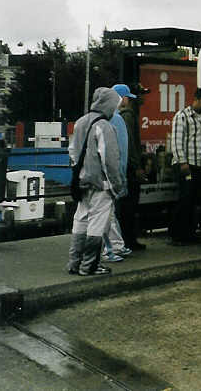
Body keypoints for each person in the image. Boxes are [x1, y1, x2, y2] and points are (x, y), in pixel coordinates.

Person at [67, 87, 124, 276]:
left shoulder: (80, 123)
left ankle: (74, 262)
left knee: (81, 220)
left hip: (82, 182)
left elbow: (73, 153)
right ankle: (90, 265)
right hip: (101, 184)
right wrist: (117, 186)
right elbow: (110, 161)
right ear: (108, 105)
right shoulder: (105, 127)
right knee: (97, 224)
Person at [169, 87, 201, 244]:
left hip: (199, 164)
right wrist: (183, 162)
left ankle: (190, 232)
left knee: (196, 199)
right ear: (196, 99)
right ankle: (177, 234)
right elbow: (177, 141)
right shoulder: (182, 116)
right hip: (186, 164)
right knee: (185, 199)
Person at [115, 83, 147, 250]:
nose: (142, 98)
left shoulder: (118, 115)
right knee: (130, 205)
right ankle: (129, 240)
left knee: (125, 206)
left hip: (123, 166)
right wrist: (137, 166)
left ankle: (126, 239)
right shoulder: (127, 115)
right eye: (140, 95)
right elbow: (129, 144)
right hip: (129, 167)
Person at [101, 98, 131, 263]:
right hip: (111, 175)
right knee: (108, 213)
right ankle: (113, 248)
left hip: (102, 175)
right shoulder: (117, 119)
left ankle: (116, 246)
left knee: (107, 213)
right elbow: (120, 151)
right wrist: (120, 176)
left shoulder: (100, 120)